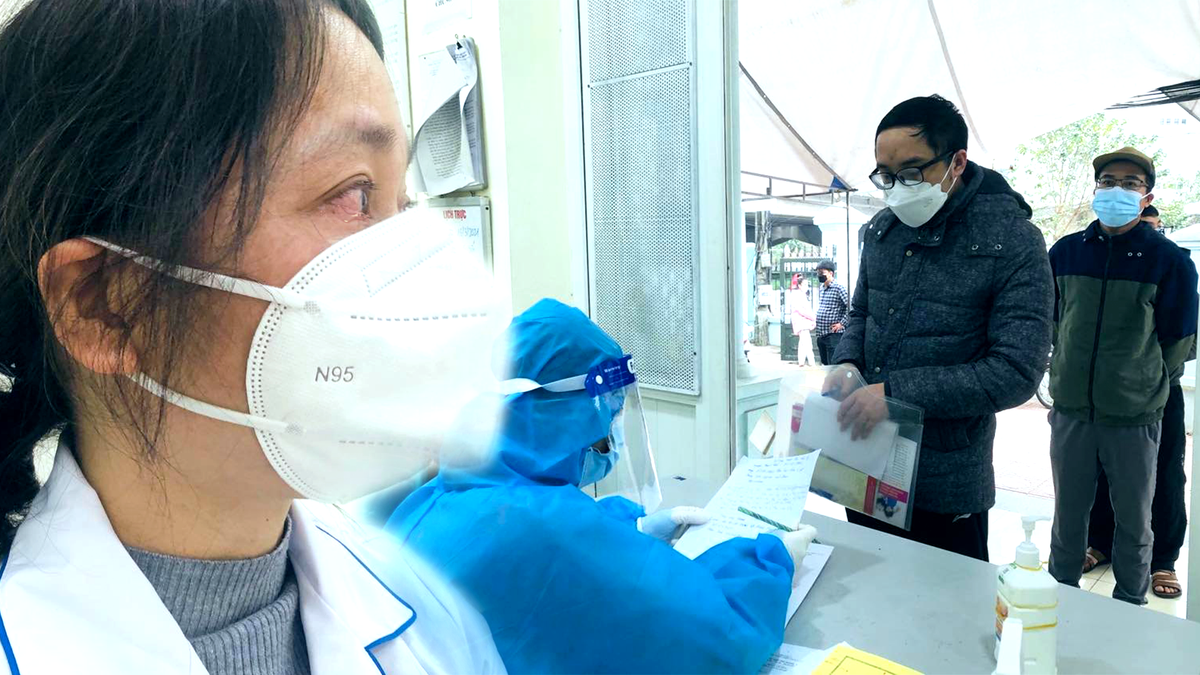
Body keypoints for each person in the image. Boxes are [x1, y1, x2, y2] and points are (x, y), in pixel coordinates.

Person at [0, 2, 505, 673]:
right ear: (104, 305)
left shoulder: (433, 624)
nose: (415, 265)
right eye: (355, 194)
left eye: (402, 204)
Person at [387, 299, 818, 675]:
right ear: (556, 414)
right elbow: (716, 642)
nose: (608, 440)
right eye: (603, 421)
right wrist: (773, 561)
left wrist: (631, 527)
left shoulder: (441, 492)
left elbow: (546, 527)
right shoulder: (542, 531)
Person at [829, 94, 1054, 561]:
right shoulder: (882, 230)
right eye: (885, 175)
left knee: (948, 600)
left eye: (912, 172)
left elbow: (1015, 371)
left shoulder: (1012, 240)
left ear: (957, 162)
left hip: (945, 478)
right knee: (865, 588)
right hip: (866, 461)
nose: (897, 188)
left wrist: (894, 394)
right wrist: (846, 361)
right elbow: (862, 312)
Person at [1047, 147, 1199, 605]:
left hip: (1134, 415)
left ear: (1146, 196)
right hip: (1072, 410)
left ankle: (1130, 602)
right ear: (1096, 190)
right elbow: (1053, 319)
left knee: (1135, 520)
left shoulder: (1169, 261)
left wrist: (1142, 381)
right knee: (1068, 515)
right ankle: (1058, 600)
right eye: (1108, 181)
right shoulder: (1066, 251)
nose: (1117, 189)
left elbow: (1179, 339)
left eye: (1130, 183)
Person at [1083, 203, 1193, 600]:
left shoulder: (1173, 263)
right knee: (1100, 469)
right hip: (1102, 392)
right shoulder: (1094, 259)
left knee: (1164, 474)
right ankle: (1100, 542)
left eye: (1150, 228)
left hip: (1159, 392)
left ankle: (1163, 559)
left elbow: (1184, 336)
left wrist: (1151, 378)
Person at [814, 260, 849, 365]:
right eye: (818, 273)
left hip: (834, 335)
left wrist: (842, 323)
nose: (819, 275)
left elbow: (851, 307)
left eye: (822, 273)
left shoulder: (839, 288)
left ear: (831, 273)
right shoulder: (822, 288)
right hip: (821, 334)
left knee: (833, 365)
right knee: (825, 364)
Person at [791, 276, 818, 367]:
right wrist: (813, 318)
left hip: (802, 322)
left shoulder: (801, 295)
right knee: (807, 343)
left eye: (807, 284)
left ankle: (801, 362)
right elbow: (803, 311)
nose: (807, 286)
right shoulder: (799, 295)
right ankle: (812, 363)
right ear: (799, 285)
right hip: (801, 322)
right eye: (805, 284)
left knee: (803, 343)